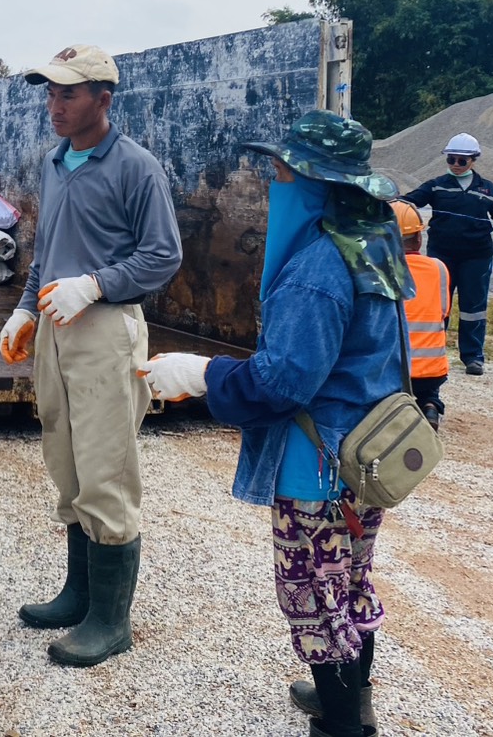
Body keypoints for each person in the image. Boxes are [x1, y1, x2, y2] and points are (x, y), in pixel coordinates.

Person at [142, 110, 409, 737]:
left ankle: (344, 726)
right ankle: (347, 698)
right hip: (366, 452)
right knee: (350, 579)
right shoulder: (372, 244)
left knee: (314, 597)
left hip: (316, 462)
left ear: (314, 182)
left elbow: (285, 381)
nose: (274, 180)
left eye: (282, 171)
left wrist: (202, 375)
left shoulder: (317, 269)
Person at [0, 44, 182, 668]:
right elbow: (46, 252)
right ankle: (79, 594)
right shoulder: (55, 162)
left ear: (104, 99)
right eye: (50, 93)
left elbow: (163, 256)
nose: (55, 104)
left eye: (68, 94)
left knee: (105, 466)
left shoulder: (136, 168)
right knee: (66, 459)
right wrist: (26, 307)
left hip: (104, 327)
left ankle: (111, 619)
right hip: (55, 323)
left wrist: (97, 284)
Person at [400, 132, 493, 376]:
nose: (456, 165)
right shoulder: (436, 185)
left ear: (473, 160)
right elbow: (408, 203)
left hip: (477, 256)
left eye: (463, 161)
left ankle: (473, 357)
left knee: (474, 307)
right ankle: (434, 351)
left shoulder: (488, 188)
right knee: (439, 306)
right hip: (442, 256)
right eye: (452, 160)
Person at [391, 199, 452, 429]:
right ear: (418, 237)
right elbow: (443, 313)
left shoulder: (382, 272)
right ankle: (430, 406)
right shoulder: (438, 268)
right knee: (429, 391)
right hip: (432, 371)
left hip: (395, 372)